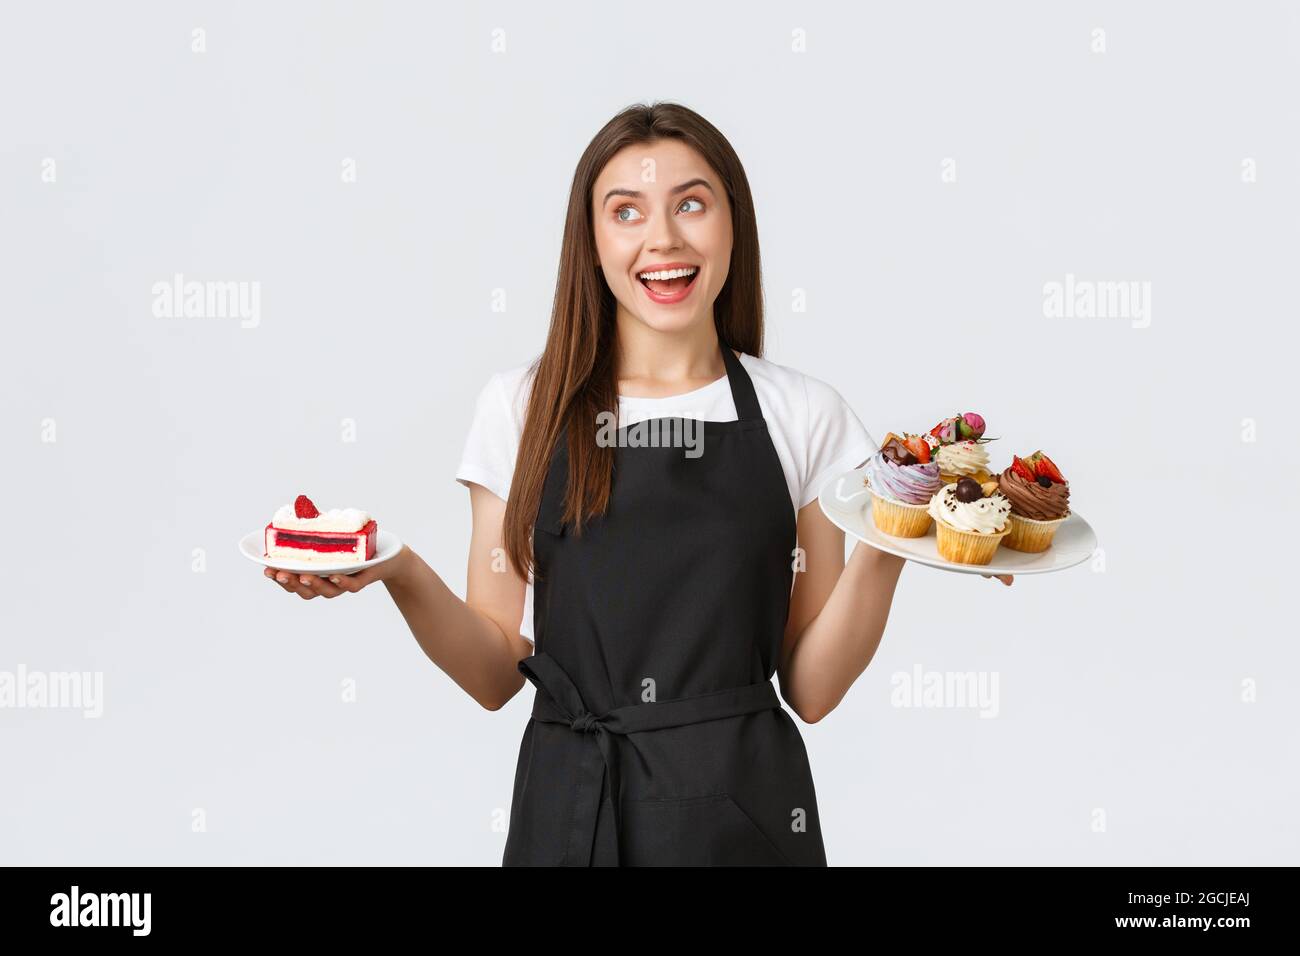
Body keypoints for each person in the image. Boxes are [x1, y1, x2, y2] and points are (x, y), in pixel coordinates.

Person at [264, 101, 1012, 866]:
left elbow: (812, 690)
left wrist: (893, 539)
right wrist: (398, 570)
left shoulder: (805, 414)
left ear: (733, 225)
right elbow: (495, 674)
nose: (664, 239)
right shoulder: (522, 407)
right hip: (570, 814)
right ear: (590, 241)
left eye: (692, 203)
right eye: (626, 212)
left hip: (746, 820)